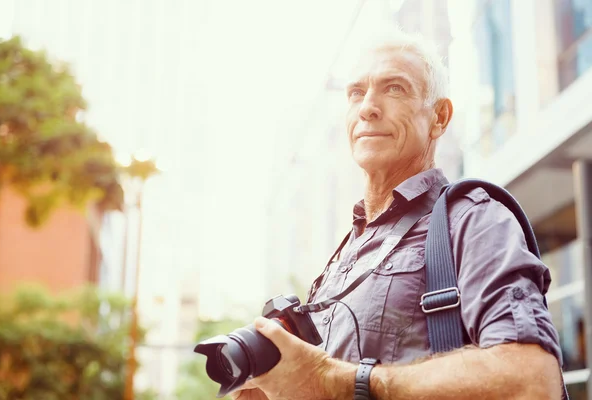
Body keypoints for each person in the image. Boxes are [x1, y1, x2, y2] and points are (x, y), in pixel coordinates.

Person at [233, 29, 564, 400]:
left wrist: (337, 380)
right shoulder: (340, 259)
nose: (367, 107)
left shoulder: (472, 220)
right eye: (356, 92)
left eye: (394, 89)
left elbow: (532, 381)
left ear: (439, 117)